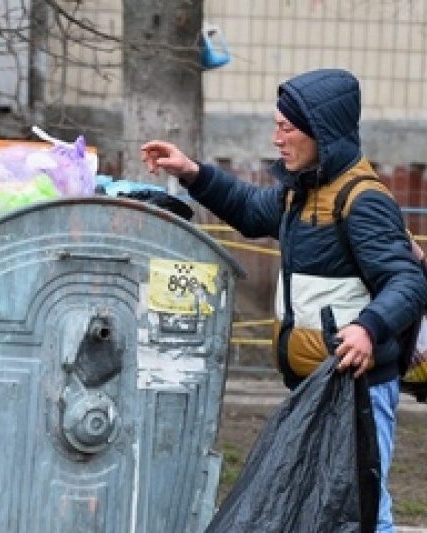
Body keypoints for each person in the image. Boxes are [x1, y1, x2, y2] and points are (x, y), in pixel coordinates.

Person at [141, 68, 427, 532]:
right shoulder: (302, 192)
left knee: (363, 506)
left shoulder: (362, 200)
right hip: (317, 385)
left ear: (321, 133)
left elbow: (408, 282)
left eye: (286, 127)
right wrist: (193, 173)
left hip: (360, 389)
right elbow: (252, 210)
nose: (276, 138)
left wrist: (368, 328)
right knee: (329, 505)